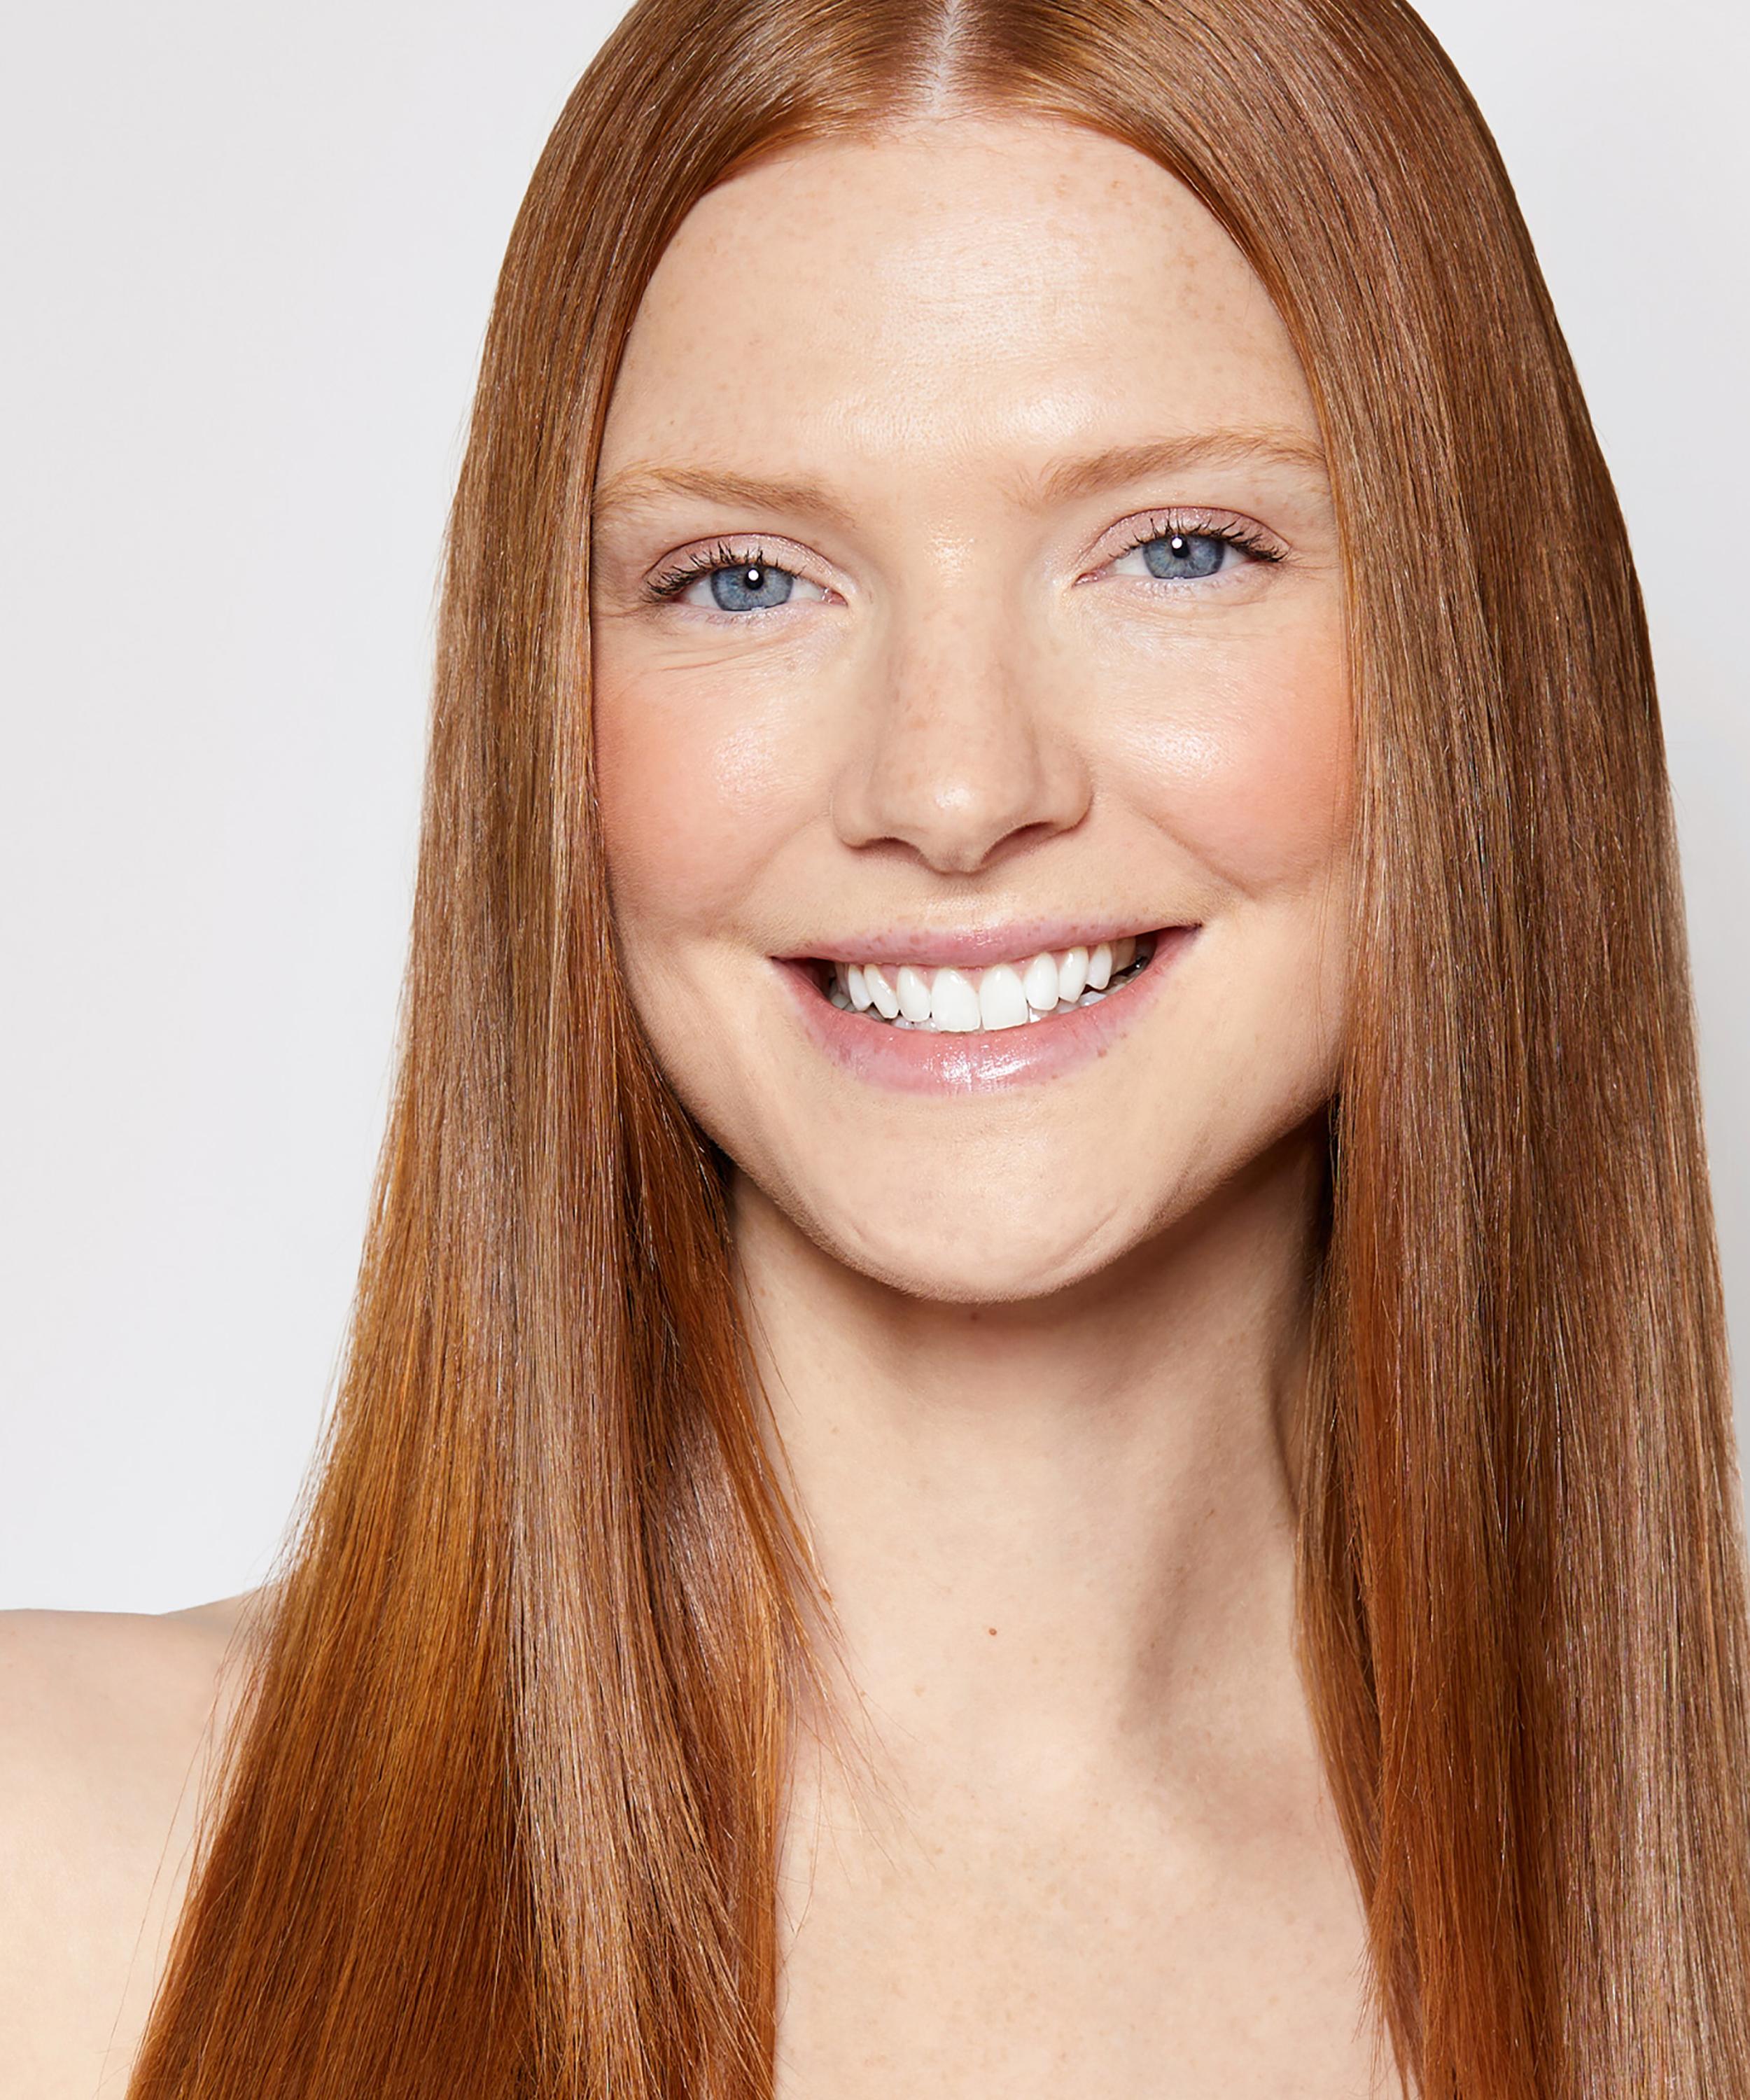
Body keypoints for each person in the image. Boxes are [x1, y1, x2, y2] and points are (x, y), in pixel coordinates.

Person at [5, 0, 1747, 2093]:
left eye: (1179, 550)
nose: (950, 788)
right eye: (746, 581)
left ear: (1476, 646)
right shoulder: (55, 1875)